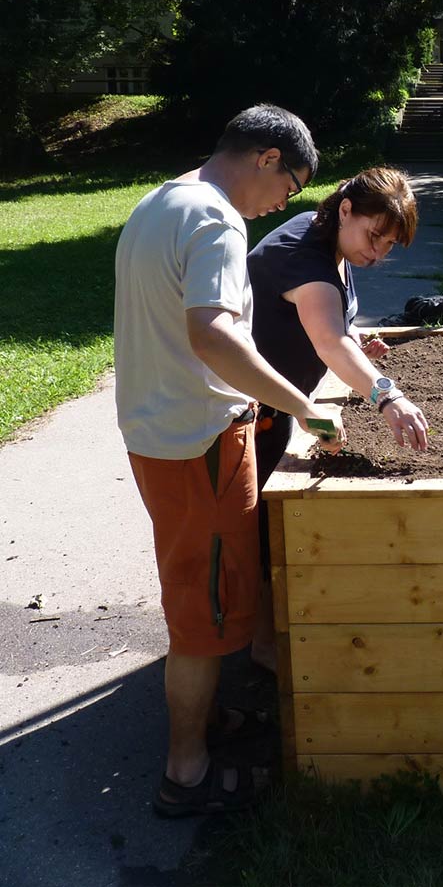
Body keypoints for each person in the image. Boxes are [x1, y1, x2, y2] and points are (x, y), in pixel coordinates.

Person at [114, 103, 345, 818]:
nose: (286, 203)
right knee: (203, 614)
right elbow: (213, 337)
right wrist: (300, 404)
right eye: (290, 185)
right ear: (267, 158)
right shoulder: (216, 219)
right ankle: (186, 774)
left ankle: (208, 721)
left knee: (199, 590)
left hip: (161, 434)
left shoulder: (162, 201)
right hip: (200, 445)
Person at [246, 167, 429, 661]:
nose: (378, 253)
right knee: (258, 531)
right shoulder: (305, 258)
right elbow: (328, 339)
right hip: (244, 410)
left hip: (277, 400)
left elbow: (331, 326)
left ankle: (267, 637)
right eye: (375, 237)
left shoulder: (324, 233)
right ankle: (264, 649)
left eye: (389, 245)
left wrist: (359, 347)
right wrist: (387, 394)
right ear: (346, 209)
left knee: (265, 525)